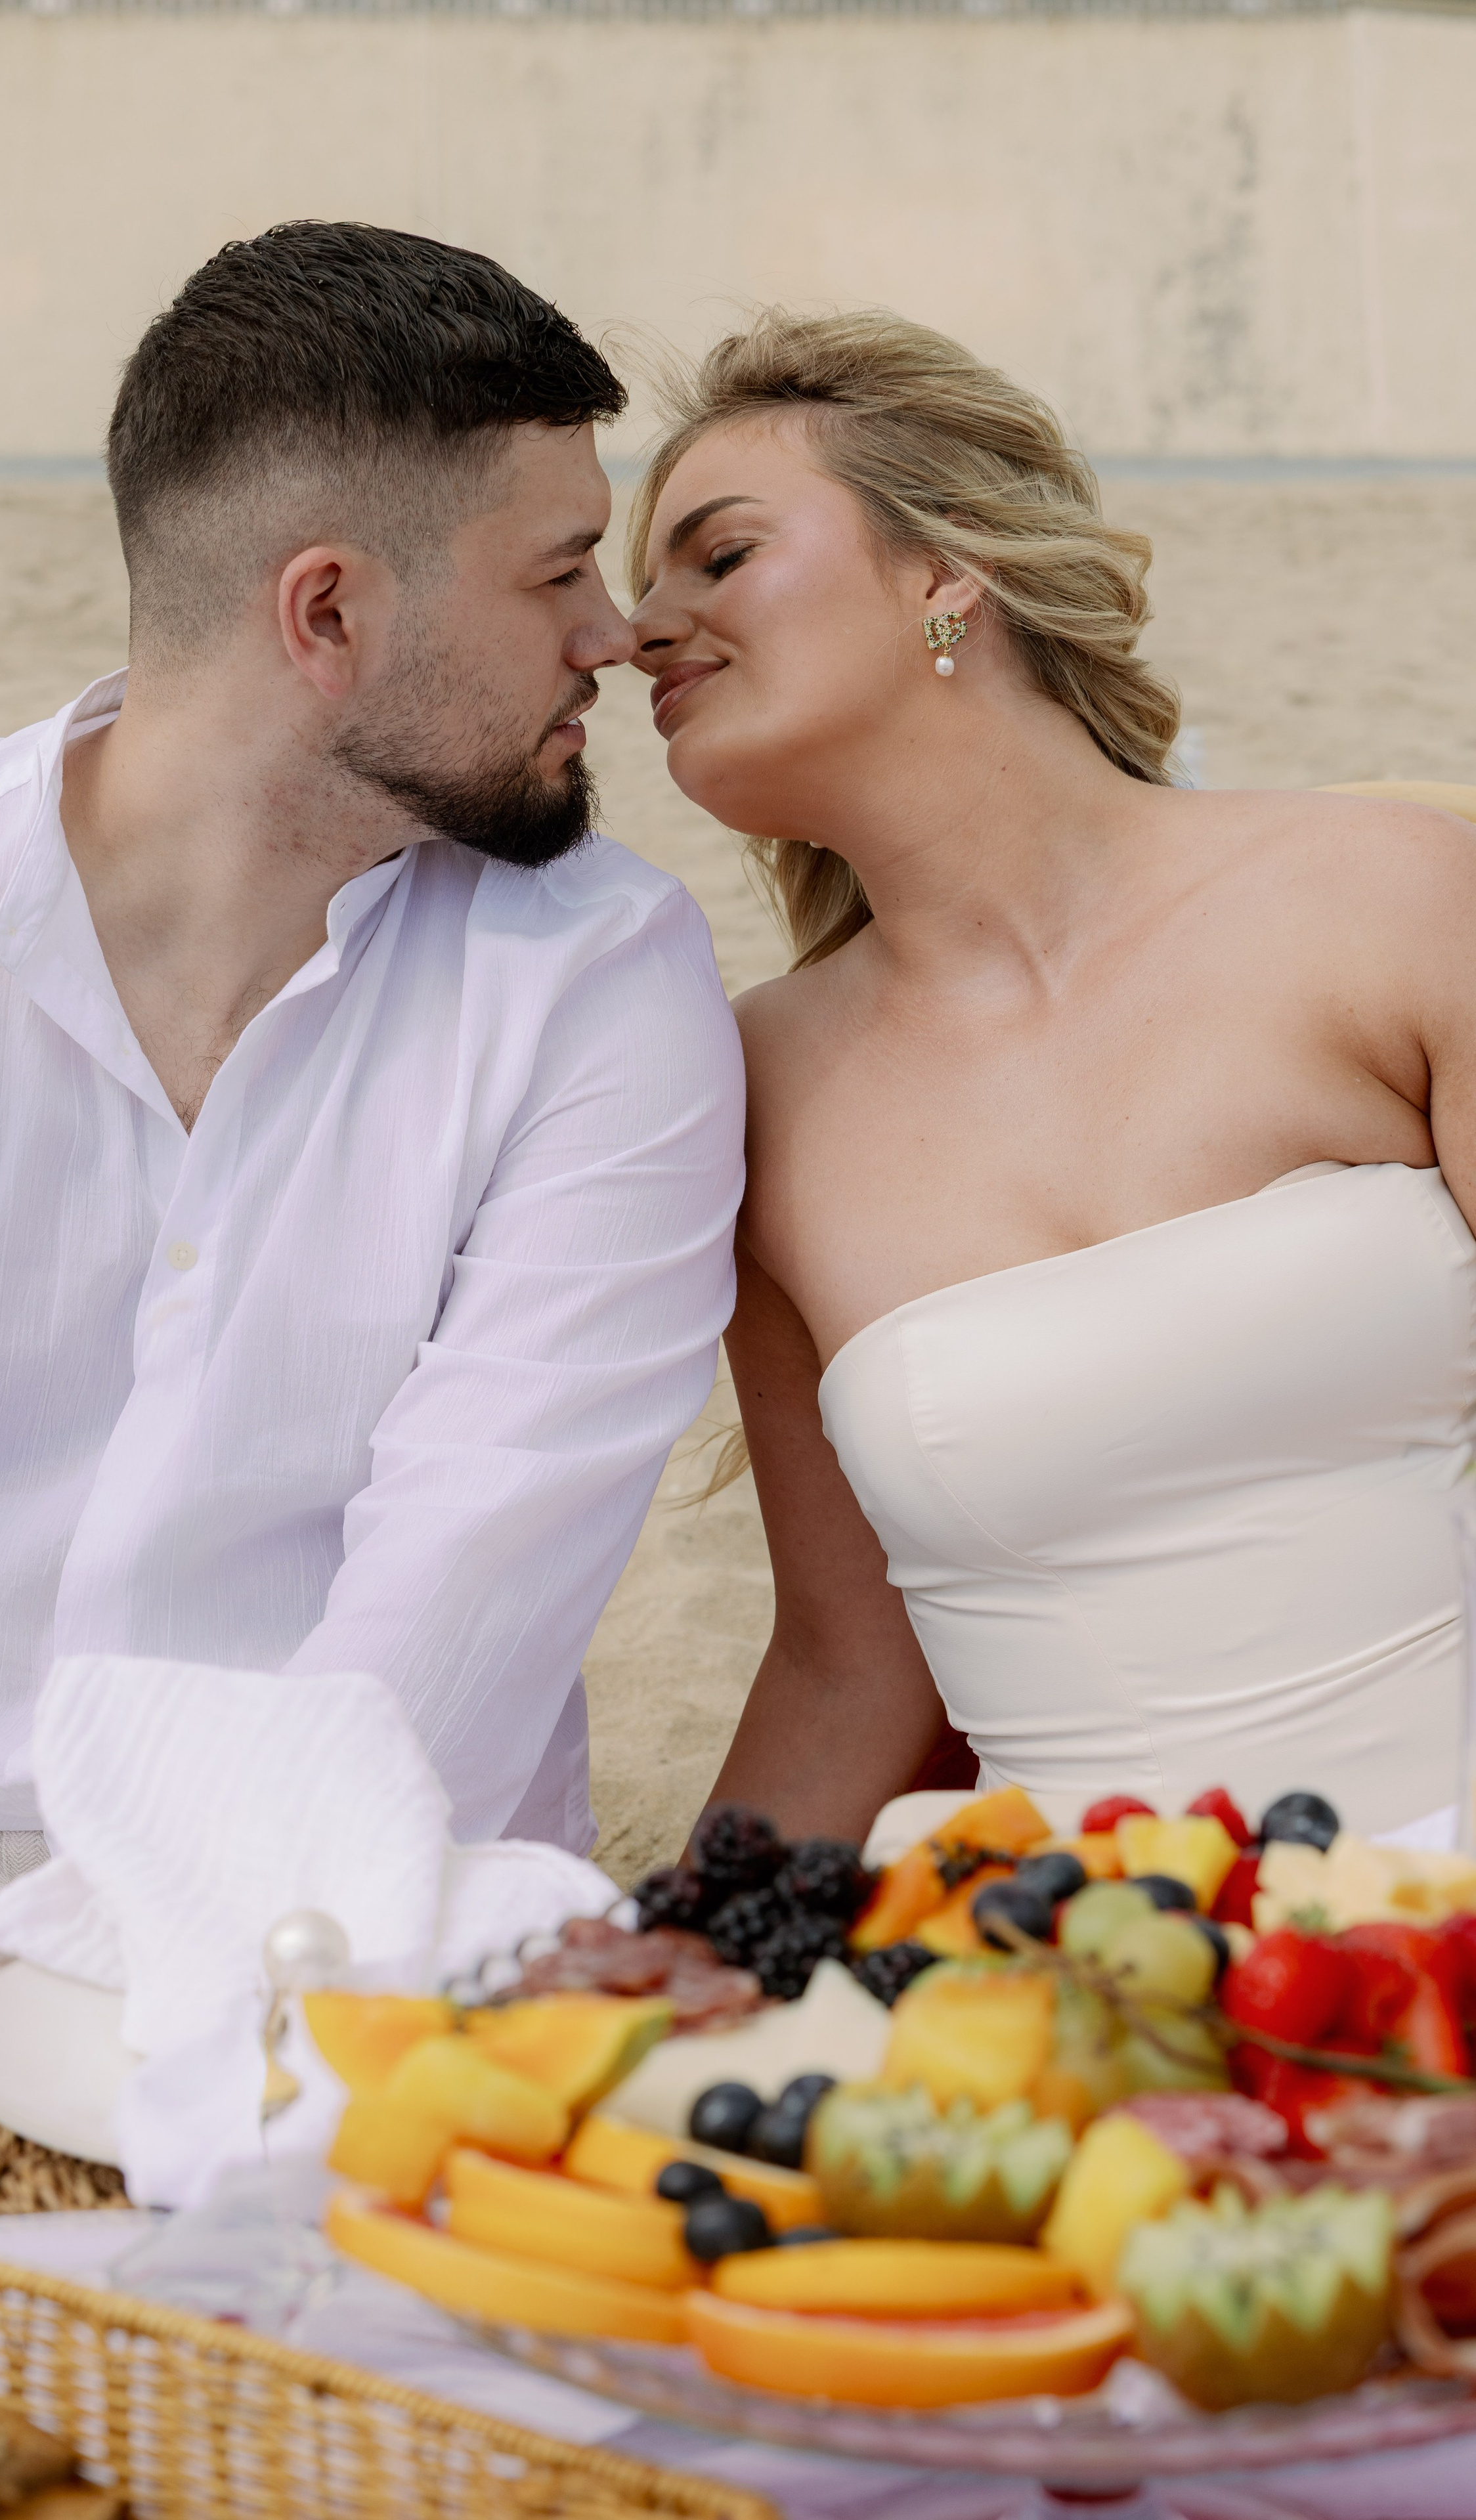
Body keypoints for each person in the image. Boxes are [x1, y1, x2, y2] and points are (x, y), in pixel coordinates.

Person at [0, 222, 743, 1980]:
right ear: (328, 613)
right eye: (557, 574)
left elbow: (464, 1599)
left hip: (346, 1907)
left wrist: (147, 1990)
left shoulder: (597, 982)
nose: (614, 636)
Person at [628, 307, 1476, 1848]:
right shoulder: (749, 1096)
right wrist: (664, 1952)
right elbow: (845, 1671)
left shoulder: (1389, 893)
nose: (642, 630)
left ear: (944, 569)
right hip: (1072, 1956)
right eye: (640, 588)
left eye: (720, 556)